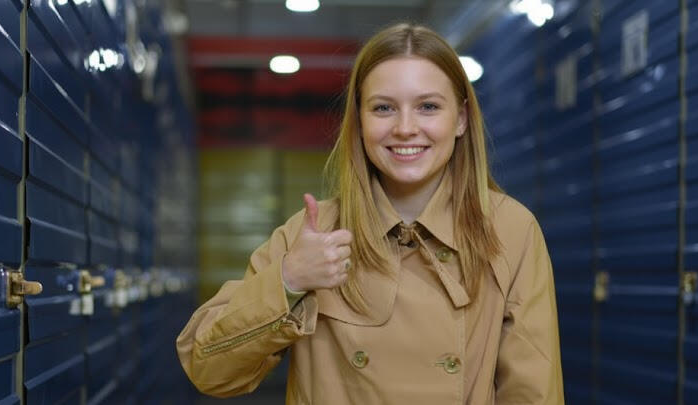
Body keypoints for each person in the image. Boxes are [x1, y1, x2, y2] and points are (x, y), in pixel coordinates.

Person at [176, 23, 564, 404]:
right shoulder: (316, 233)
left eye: (428, 106)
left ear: (460, 119)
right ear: (359, 122)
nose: (405, 128)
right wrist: (289, 280)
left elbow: (533, 393)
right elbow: (207, 369)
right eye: (383, 108)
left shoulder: (509, 230)